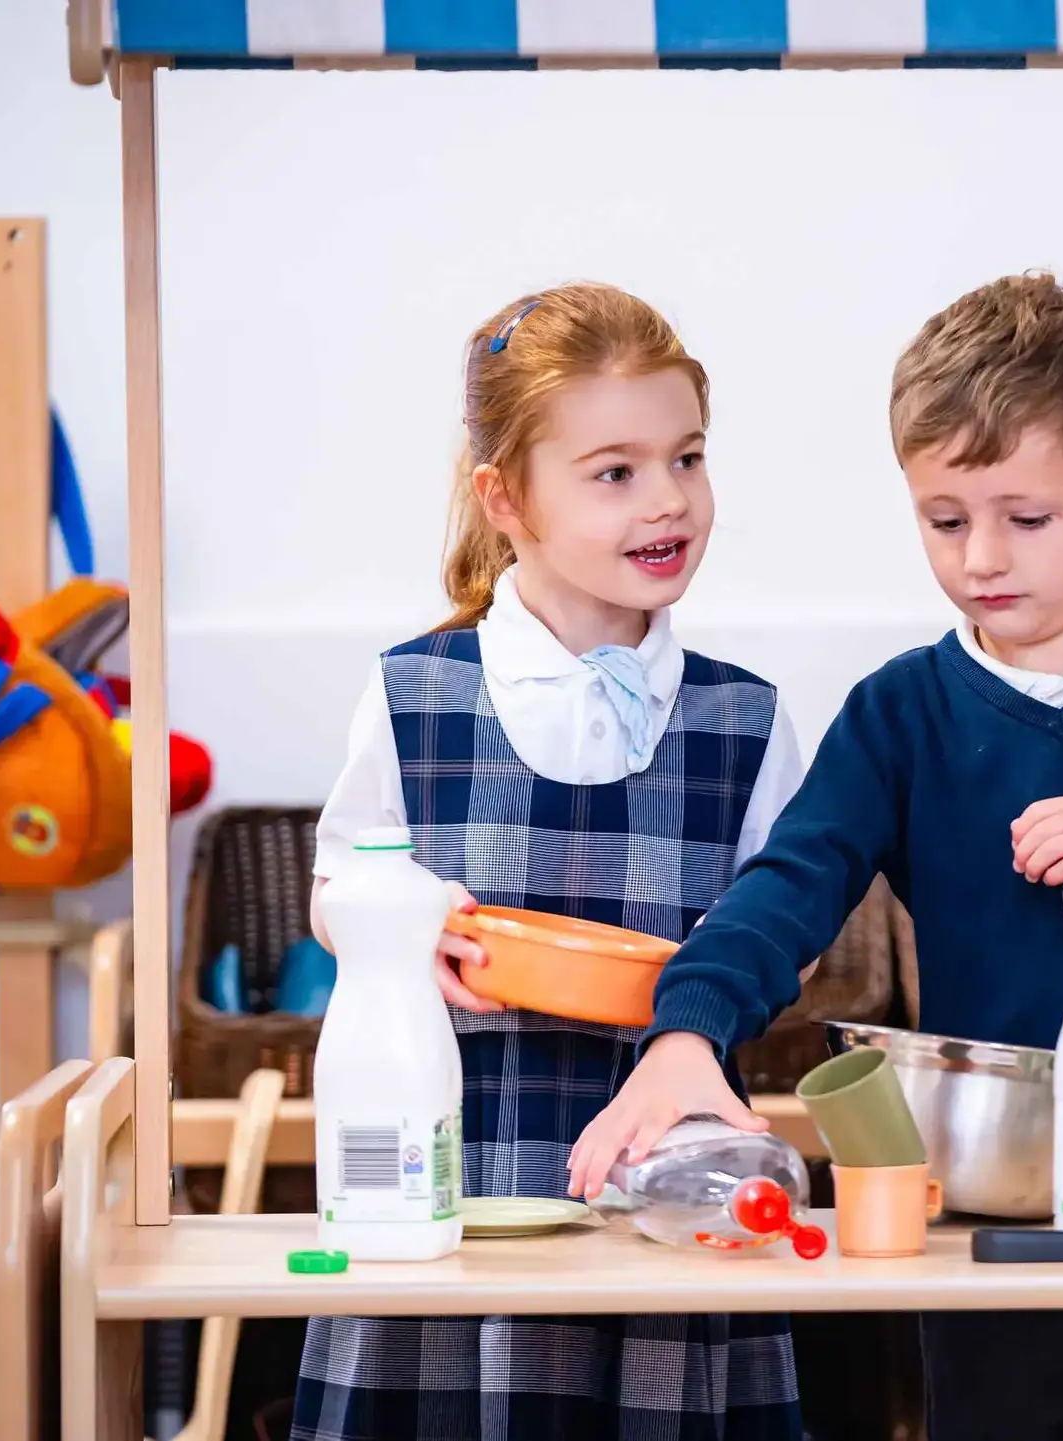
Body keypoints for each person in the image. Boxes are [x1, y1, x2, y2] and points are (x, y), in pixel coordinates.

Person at [569, 273, 1063, 1440]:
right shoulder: (901, 715)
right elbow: (786, 890)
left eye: (1025, 517)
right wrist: (689, 1031)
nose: (981, 555)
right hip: (987, 1239)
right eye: (945, 519)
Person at [293, 282, 805, 1441]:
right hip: (457, 1177)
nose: (668, 499)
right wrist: (401, 921)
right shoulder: (412, 692)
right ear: (507, 498)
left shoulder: (747, 718)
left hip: (667, 1187)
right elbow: (337, 881)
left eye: (687, 457)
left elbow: (789, 929)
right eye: (615, 472)